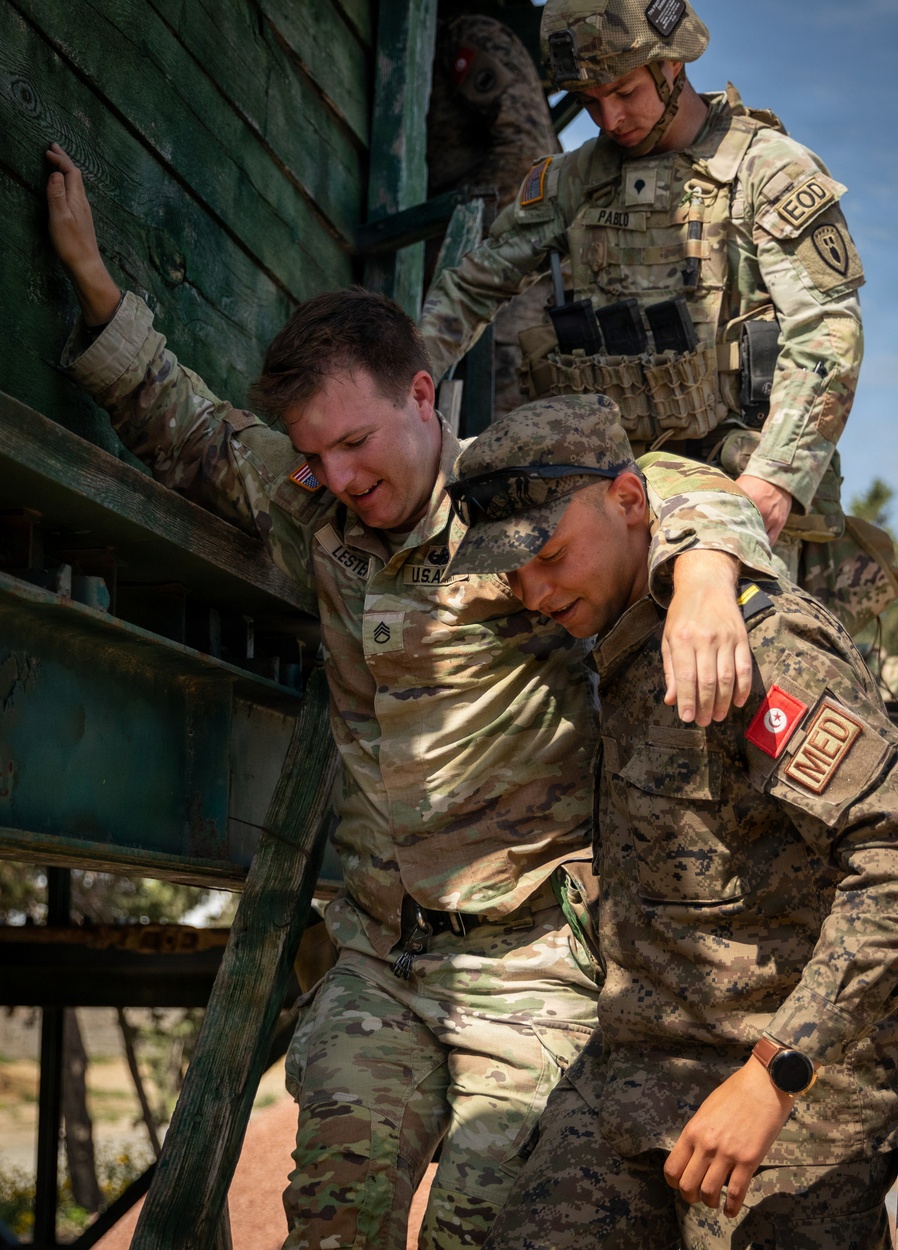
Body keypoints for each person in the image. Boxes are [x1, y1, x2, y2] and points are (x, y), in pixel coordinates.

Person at [44, 143, 778, 1250]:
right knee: (333, 1218)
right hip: (384, 963)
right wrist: (97, 286)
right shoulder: (322, 514)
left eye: (355, 441)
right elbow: (188, 427)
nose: (339, 476)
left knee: (484, 1229)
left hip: (530, 972)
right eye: (315, 454)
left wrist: (711, 576)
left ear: (424, 396)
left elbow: (666, 486)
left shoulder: (517, 503)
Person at [443, 394, 898, 1250]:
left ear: (627, 502)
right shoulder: (609, 638)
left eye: (548, 553)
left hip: (796, 1103)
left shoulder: (759, 649)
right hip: (635, 1077)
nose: (532, 592)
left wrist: (777, 1070)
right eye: (511, 569)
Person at [419, 0, 887, 626]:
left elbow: (827, 332)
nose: (610, 118)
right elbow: (472, 286)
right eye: (588, 101)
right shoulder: (572, 184)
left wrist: (776, 478)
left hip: (745, 486)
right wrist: (408, 388)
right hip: (622, 502)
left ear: (672, 65)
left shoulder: (764, 170)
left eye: (623, 90)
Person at [426, 12, 563, 419]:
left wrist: (480, 229)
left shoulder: (471, 34)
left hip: (502, 279)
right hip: (480, 285)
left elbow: (525, 149)